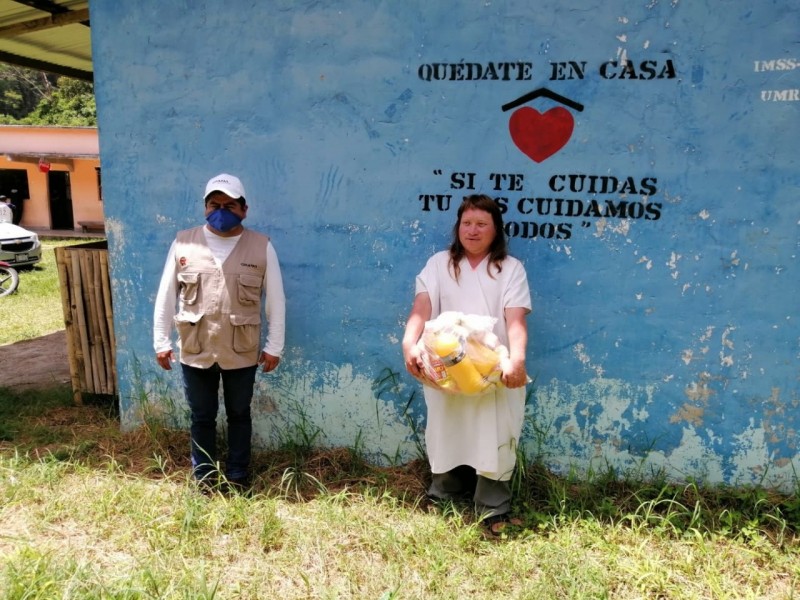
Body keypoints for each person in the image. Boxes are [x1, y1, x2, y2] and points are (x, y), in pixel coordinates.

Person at [402, 194, 531, 534]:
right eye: (467, 223)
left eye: (481, 224)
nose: (473, 231)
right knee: (447, 429)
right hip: (446, 369)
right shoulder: (439, 264)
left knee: (494, 433)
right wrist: (409, 343)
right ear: (458, 227)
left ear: (496, 230)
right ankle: (444, 492)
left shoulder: (510, 269)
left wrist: (516, 359)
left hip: (491, 370)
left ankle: (492, 506)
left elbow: (515, 319)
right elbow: (421, 306)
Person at [153, 173, 286, 491]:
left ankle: (238, 475)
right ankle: (204, 477)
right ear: (204, 207)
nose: (221, 210)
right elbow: (166, 294)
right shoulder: (184, 242)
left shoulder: (261, 247)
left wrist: (274, 346)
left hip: (241, 349)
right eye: (214, 204)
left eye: (229, 204)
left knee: (240, 415)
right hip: (196, 347)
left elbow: (276, 300)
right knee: (202, 417)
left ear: (244, 209)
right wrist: (161, 340)